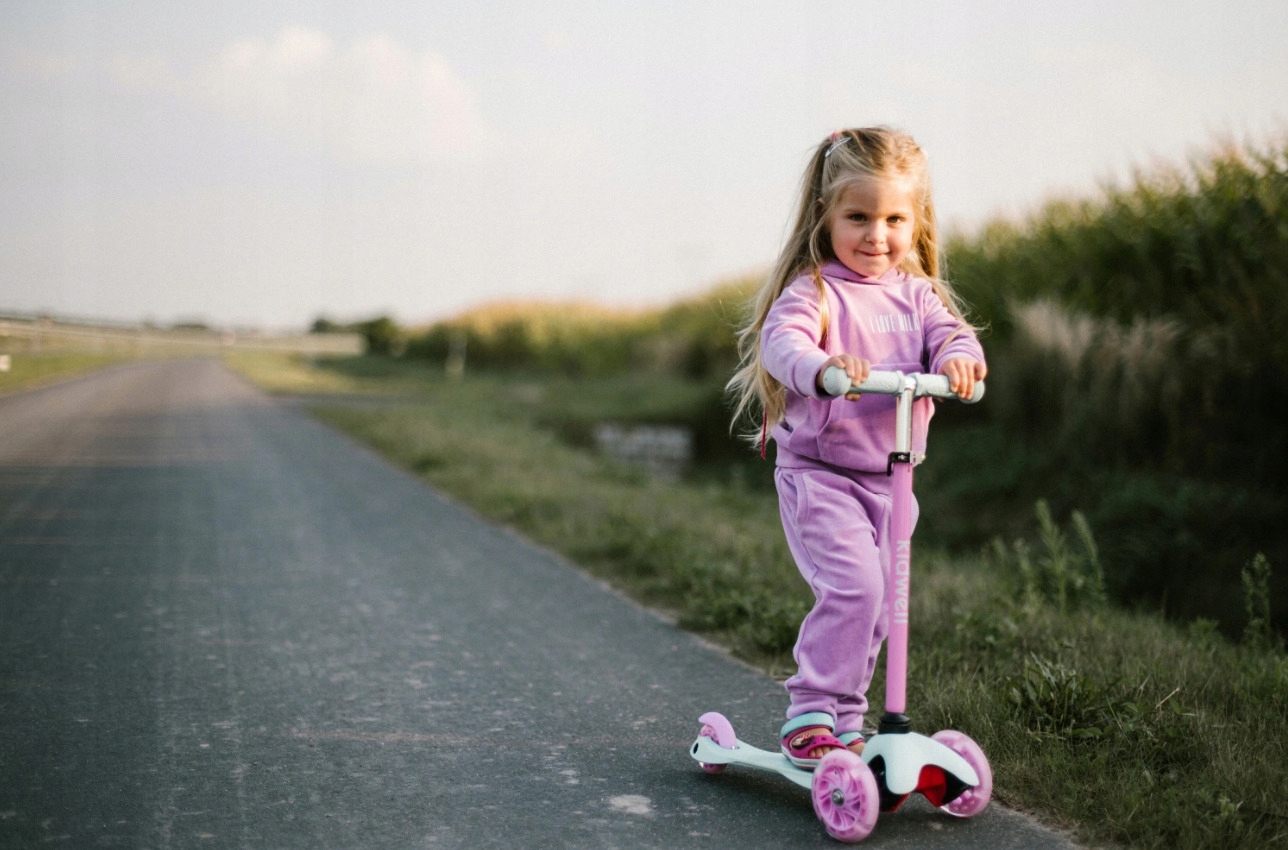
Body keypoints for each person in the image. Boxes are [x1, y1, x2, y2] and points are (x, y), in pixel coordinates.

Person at [727, 127, 987, 769]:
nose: (877, 234)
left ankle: (846, 725)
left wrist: (959, 359)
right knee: (855, 590)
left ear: (916, 220)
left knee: (882, 608)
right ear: (827, 215)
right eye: (859, 217)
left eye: (894, 219)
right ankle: (811, 715)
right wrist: (823, 368)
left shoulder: (919, 296)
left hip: (893, 480)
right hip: (821, 476)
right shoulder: (816, 290)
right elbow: (783, 343)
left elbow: (954, 336)